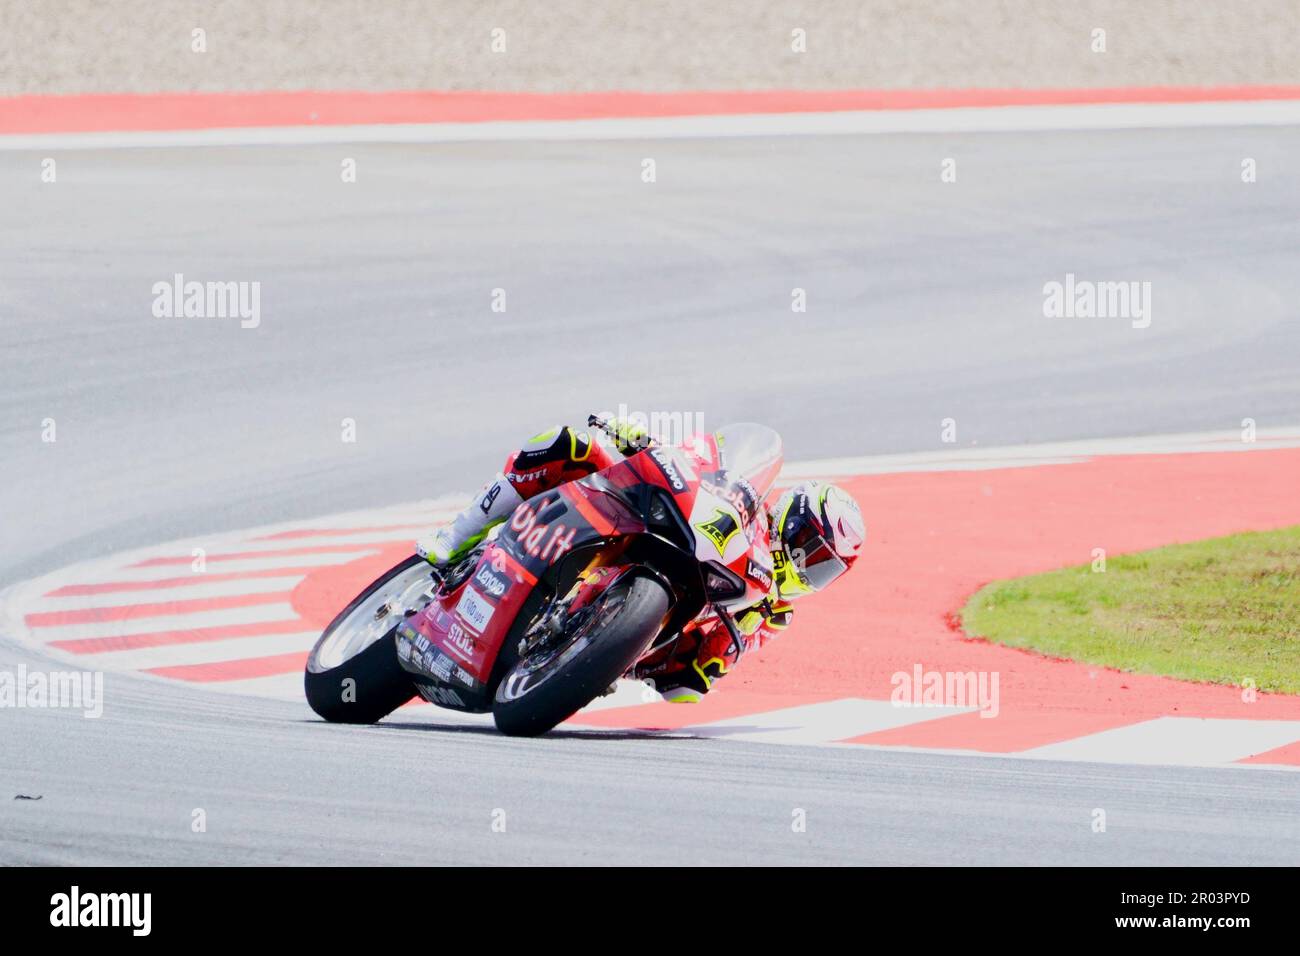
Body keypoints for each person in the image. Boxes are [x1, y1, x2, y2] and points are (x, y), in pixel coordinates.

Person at [416, 419, 865, 702]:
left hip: (660, 627)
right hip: (648, 521)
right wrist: (646, 443)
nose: (806, 565)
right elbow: (700, 459)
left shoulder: (773, 611)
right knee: (567, 445)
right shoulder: (747, 501)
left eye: (822, 568)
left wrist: (711, 659)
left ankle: (586, 645)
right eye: (809, 546)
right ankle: (456, 536)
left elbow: (703, 676)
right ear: (792, 516)